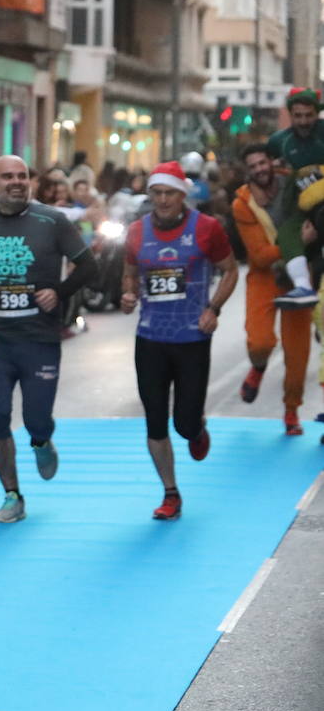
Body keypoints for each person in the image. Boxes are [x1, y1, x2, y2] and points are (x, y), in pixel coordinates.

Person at [0, 155, 99, 522]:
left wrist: (58, 292)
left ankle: (42, 441)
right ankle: (12, 495)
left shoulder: (52, 221)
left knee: (36, 419)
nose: (16, 182)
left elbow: (89, 266)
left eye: (22, 176)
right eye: (8, 177)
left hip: (40, 339)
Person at [120, 160, 238, 520]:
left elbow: (230, 270)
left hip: (192, 337)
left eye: (169, 193)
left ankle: (196, 428)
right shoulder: (137, 231)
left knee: (184, 423)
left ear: (182, 194)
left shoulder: (207, 228)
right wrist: (128, 294)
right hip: (151, 338)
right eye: (156, 193)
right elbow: (129, 272)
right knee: (155, 420)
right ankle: (170, 492)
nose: (162, 200)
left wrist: (213, 308)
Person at [233, 143, 312, 435]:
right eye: (252, 166)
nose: (259, 169)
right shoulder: (242, 204)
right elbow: (259, 255)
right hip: (264, 277)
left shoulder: (293, 185)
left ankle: (291, 412)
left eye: (262, 163)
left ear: (271, 162)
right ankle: (259, 367)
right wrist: (297, 243)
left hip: (298, 280)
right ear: (247, 171)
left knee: (297, 354)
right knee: (260, 342)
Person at [266, 87, 324, 305]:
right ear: (290, 115)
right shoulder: (280, 141)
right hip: (301, 206)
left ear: (317, 113)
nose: (303, 121)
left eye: (309, 115)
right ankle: (302, 286)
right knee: (287, 233)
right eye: (298, 115)